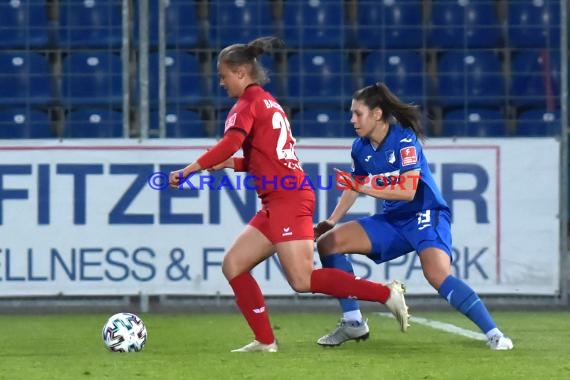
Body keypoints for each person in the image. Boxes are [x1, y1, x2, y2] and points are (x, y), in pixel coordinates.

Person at [168, 37, 409, 353]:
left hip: (288, 199)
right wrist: (233, 164)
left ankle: (385, 293)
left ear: (241, 72)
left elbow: (230, 143)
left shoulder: (245, 106)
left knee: (302, 280)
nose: (221, 82)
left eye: (223, 75)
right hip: (278, 199)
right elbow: (271, 157)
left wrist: (189, 170)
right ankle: (265, 341)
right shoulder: (268, 102)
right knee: (234, 265)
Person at [313, 82, 514, 351]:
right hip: (393, 221)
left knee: (437, 275)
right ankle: (353, 322)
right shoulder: (360, 147)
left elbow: (408, 191)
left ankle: (494, 334)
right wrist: (333, 219)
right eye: (351, 113)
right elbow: (354, 184)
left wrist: (363, 186)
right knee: (328, 243)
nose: (352, 120)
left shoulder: (405, 140)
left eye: (357, 113)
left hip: (425, 215)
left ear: (377, 114)